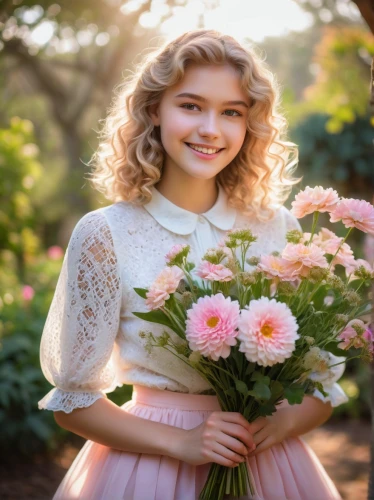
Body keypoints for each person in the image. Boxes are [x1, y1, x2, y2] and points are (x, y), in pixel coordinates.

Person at [38, 29, 348, 500]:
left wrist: (280, 424)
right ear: (153, 112)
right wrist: (181, 442)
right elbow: (72, 403)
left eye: (231, 113)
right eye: (190, 105)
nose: (210, 129)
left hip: (266, 467)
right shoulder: (105, 233)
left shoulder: (279, 228)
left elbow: (322, 387)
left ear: (250, 126)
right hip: (150, 469)